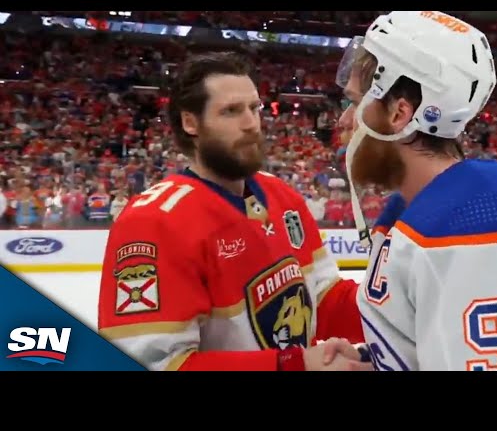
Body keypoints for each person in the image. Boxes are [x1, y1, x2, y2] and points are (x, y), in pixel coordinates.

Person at [333, 11, 497, 371]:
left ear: (399, 113)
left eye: (354, 103)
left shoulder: (481, 228)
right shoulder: (419, 207)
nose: (344, 121)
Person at [97, 51, 370, 371]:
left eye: (254, 108)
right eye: (230, 111)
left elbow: (324, 302)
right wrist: (294, 365)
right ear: (190, 122)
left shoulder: (282, 197)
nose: (250, 123)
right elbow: (154, 363)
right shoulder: (153, 222)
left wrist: (406, 308)